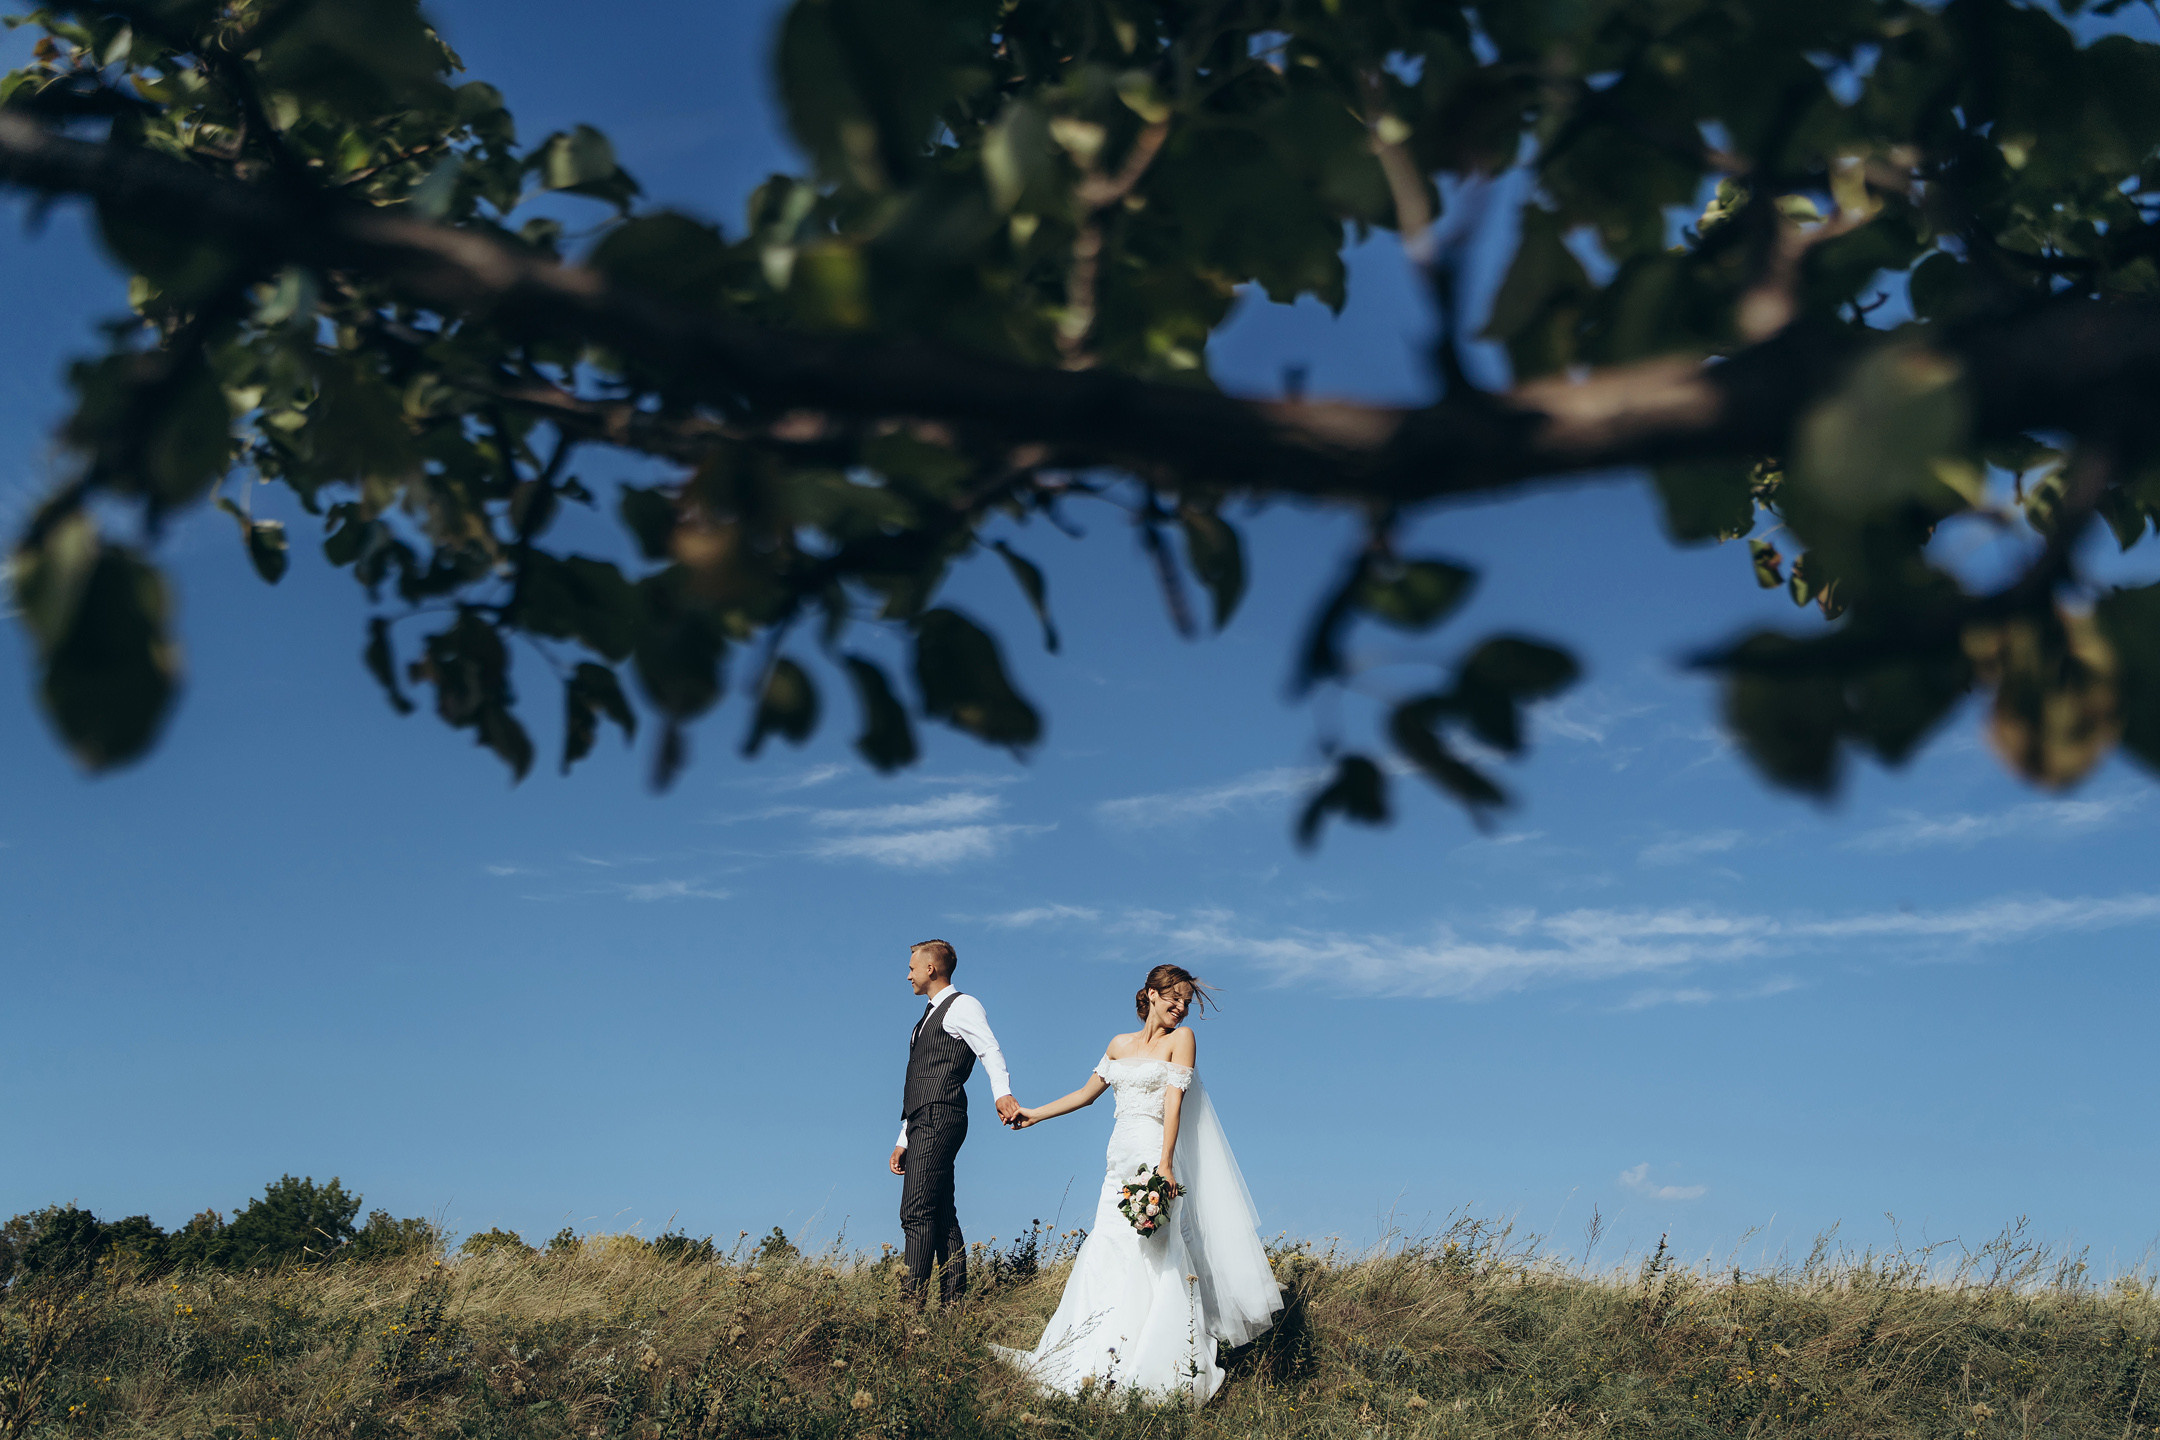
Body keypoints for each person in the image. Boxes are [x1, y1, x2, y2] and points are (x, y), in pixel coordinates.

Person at [996, 965, 1281, 1403]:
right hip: (1117, 1162)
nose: (1181, 1007)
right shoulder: (1118, 1044)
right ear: (1151, 994)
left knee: (1156, 1253)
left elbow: (1174, 1103)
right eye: (1175, 998)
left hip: (1153, 1158)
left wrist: (1165, 1165)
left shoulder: (1181, 1040)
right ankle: (1097, 1353)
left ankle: (1157, 1363)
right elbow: (1085, 1094)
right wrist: (1034, 1114)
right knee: (1108, 1248)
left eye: (1187, 1001)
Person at [890, 938, 1021, 1307]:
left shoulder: (963, 1005)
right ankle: (954, 1310)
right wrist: (903, 1138)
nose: (908, 976)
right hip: (922, 1118)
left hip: (941, 1115)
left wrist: (1002, 1093)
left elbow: (989, 1049)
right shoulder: (925, 1019)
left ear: (931, 968)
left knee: (915, 1211)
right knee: (941, 1213)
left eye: (912, 968)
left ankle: (909, 1311)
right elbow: (920, 1080)